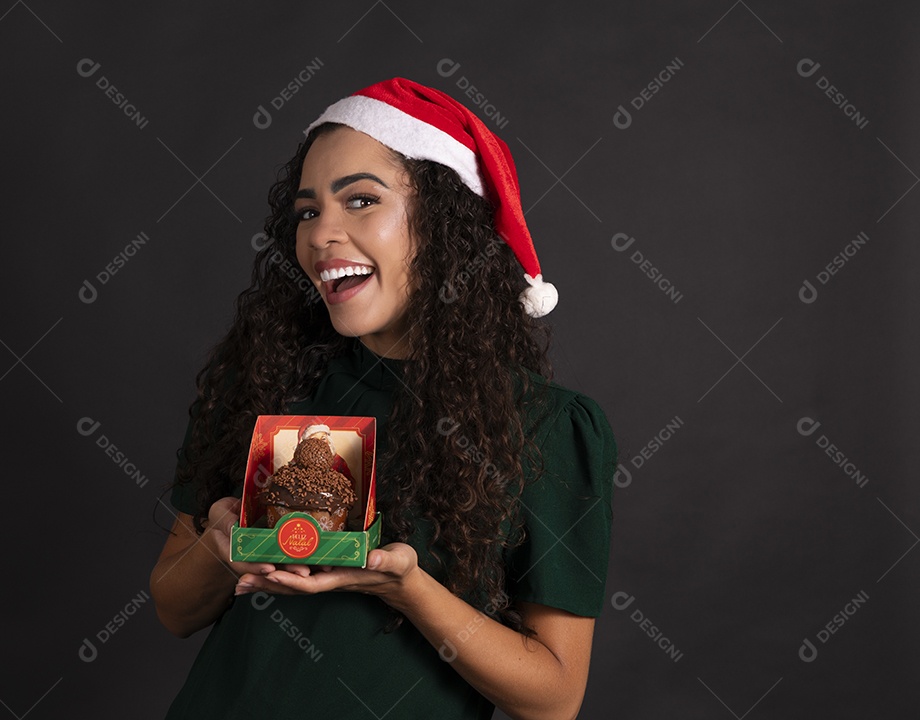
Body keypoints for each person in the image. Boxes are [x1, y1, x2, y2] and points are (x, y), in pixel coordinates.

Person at [151, 77, 617, 720]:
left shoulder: (545, 425)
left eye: (361, 200)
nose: (321, 236)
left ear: (446, 223)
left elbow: (555, 697)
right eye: (308, 211)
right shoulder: (265, 385)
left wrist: (408, 589)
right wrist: (220, 544)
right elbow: (174, 609)